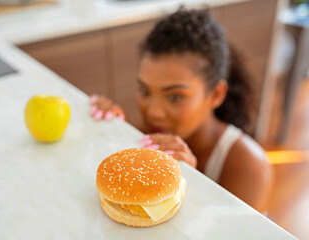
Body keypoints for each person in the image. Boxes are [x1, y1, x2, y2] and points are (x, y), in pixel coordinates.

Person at [89, 8, 273, 213]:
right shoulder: (151, 133)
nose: (154, 112)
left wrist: (190, 184)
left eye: (174, 97)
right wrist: (108, 129)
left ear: (216, 94)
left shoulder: (250, 166)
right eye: (144, 90)